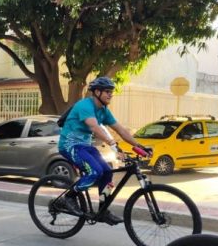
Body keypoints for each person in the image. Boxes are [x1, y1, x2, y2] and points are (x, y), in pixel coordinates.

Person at [57, 77, 151, 225]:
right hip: (70, 146)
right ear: (97, 92)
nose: (110, 95)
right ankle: (68, 197)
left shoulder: (104, 111)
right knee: (95, 172)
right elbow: (94, 127)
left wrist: (140, 146)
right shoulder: (85, 105)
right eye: (107, 92)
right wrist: (112, 143)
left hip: (86, 146)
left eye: (111, 92)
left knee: (107, 172)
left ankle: (103, 211)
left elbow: (121, 130)